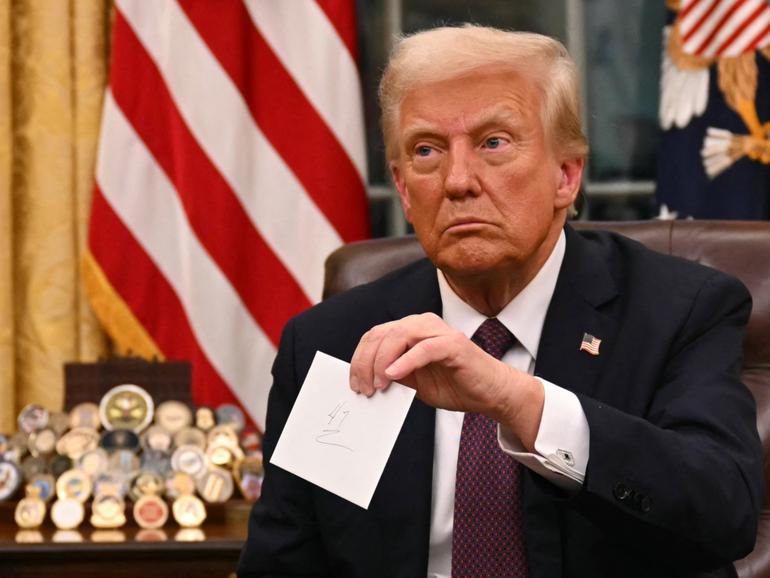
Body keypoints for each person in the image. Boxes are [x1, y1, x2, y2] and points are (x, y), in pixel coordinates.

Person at [237, 25, 763, 578]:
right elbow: (283, 564)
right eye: (426, 151)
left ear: (566, 175)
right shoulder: (336, 341)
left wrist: (518, 402)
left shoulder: (678, 310)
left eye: (494, 143)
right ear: (404, 190)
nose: (458, 180)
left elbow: (724, 510)